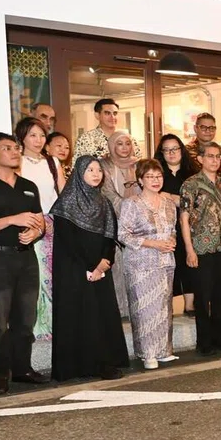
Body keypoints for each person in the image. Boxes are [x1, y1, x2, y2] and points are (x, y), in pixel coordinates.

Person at [49, 155, 129, 381]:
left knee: (100, 315)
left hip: (100, 268)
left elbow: (109, 236)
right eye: (90, 169)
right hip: (74, 271)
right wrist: (88, 267)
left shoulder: (103, 202)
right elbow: (67, 241)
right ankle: (77, 367)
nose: (96, 174)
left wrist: (105, 262)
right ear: (79, 173)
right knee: (81, 314)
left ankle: (104, 363)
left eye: (98, 170)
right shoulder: (66, 203)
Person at [0, 132, 48, 395]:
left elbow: (40, 221)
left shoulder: (28, 185)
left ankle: (22, 369)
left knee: (25, 319)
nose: (14, 151)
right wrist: (13, 219)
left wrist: (36, 231)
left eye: (15, 147)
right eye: (6, 148)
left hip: (26, 259)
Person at [179, 142, 221, 356]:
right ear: (201, 158)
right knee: (202, 297)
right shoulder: (191, 184)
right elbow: (184, 218)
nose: (215, 160)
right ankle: (204, 342)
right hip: (201, 248)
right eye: (211, 156)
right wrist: (189, 249)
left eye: (218, 157)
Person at [118, 159, 177, 370]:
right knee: (144, 309)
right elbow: (122, 234)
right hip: (140, 263)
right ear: (140, 180)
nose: (155, 180)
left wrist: (172, 242)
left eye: (158, 176)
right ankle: (147, 353)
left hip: (165, 261)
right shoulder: (131, 203)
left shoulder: (169, 203)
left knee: (163, 307)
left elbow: (172, 231)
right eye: (150, 177)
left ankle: (163, 350)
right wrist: (153, 244)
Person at [16, 117, 64, 341]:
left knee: (55, 275)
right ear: (22, 136)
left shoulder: (53, 162)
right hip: (30, 223)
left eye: (42, 135)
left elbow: (63, 195)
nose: (38, 140)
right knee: (35, 276)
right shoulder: (17, 162)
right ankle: (37, 327)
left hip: (54, 224)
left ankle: (56, 324)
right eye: (32, 135)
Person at [155, 134, 198, 316]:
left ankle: (190, 305)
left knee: (189, 263)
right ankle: (167, 306)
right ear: (161, 153)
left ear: (182, 150)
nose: (171, 153)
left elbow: (198, 201)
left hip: (190, 226)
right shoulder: (156, 173)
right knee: (167, 264)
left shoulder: (193, 173)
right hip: (162, 227)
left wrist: (173, 198)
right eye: (167, 150)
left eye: (175, 149)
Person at [100, 130, 139, 319]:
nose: (124, 148)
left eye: (127, 143)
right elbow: (106, 192)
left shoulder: (139, 165)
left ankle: (137, 306)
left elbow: (148, 188)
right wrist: (129, 209)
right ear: (112, 146)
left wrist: (139, 212)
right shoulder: (104, 165)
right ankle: (121, 309)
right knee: (117, 265)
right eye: (119, 144)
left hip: (140, 225)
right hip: (114, 221)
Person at [72, 98, 142, 164]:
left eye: (115, 113)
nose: (112, 117)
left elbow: (140, 167)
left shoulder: (129, 139)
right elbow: (77, 167)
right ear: (97, 115)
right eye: (107, 113)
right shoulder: (85, 139)